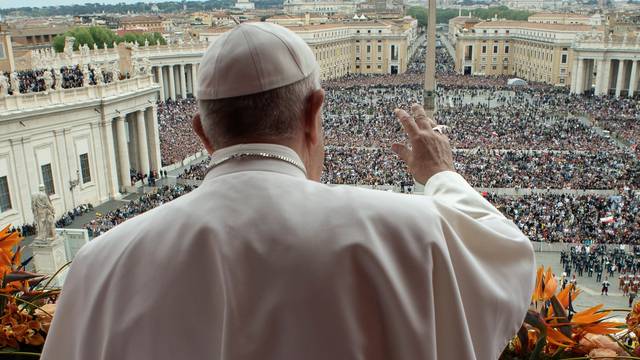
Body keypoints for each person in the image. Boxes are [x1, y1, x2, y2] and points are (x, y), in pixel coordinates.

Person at [41, 23, 535, 360]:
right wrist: (441, 174)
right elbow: (507, 255)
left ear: (202, 132)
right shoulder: (412, 229)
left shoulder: (99, 265)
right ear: (314, 114)